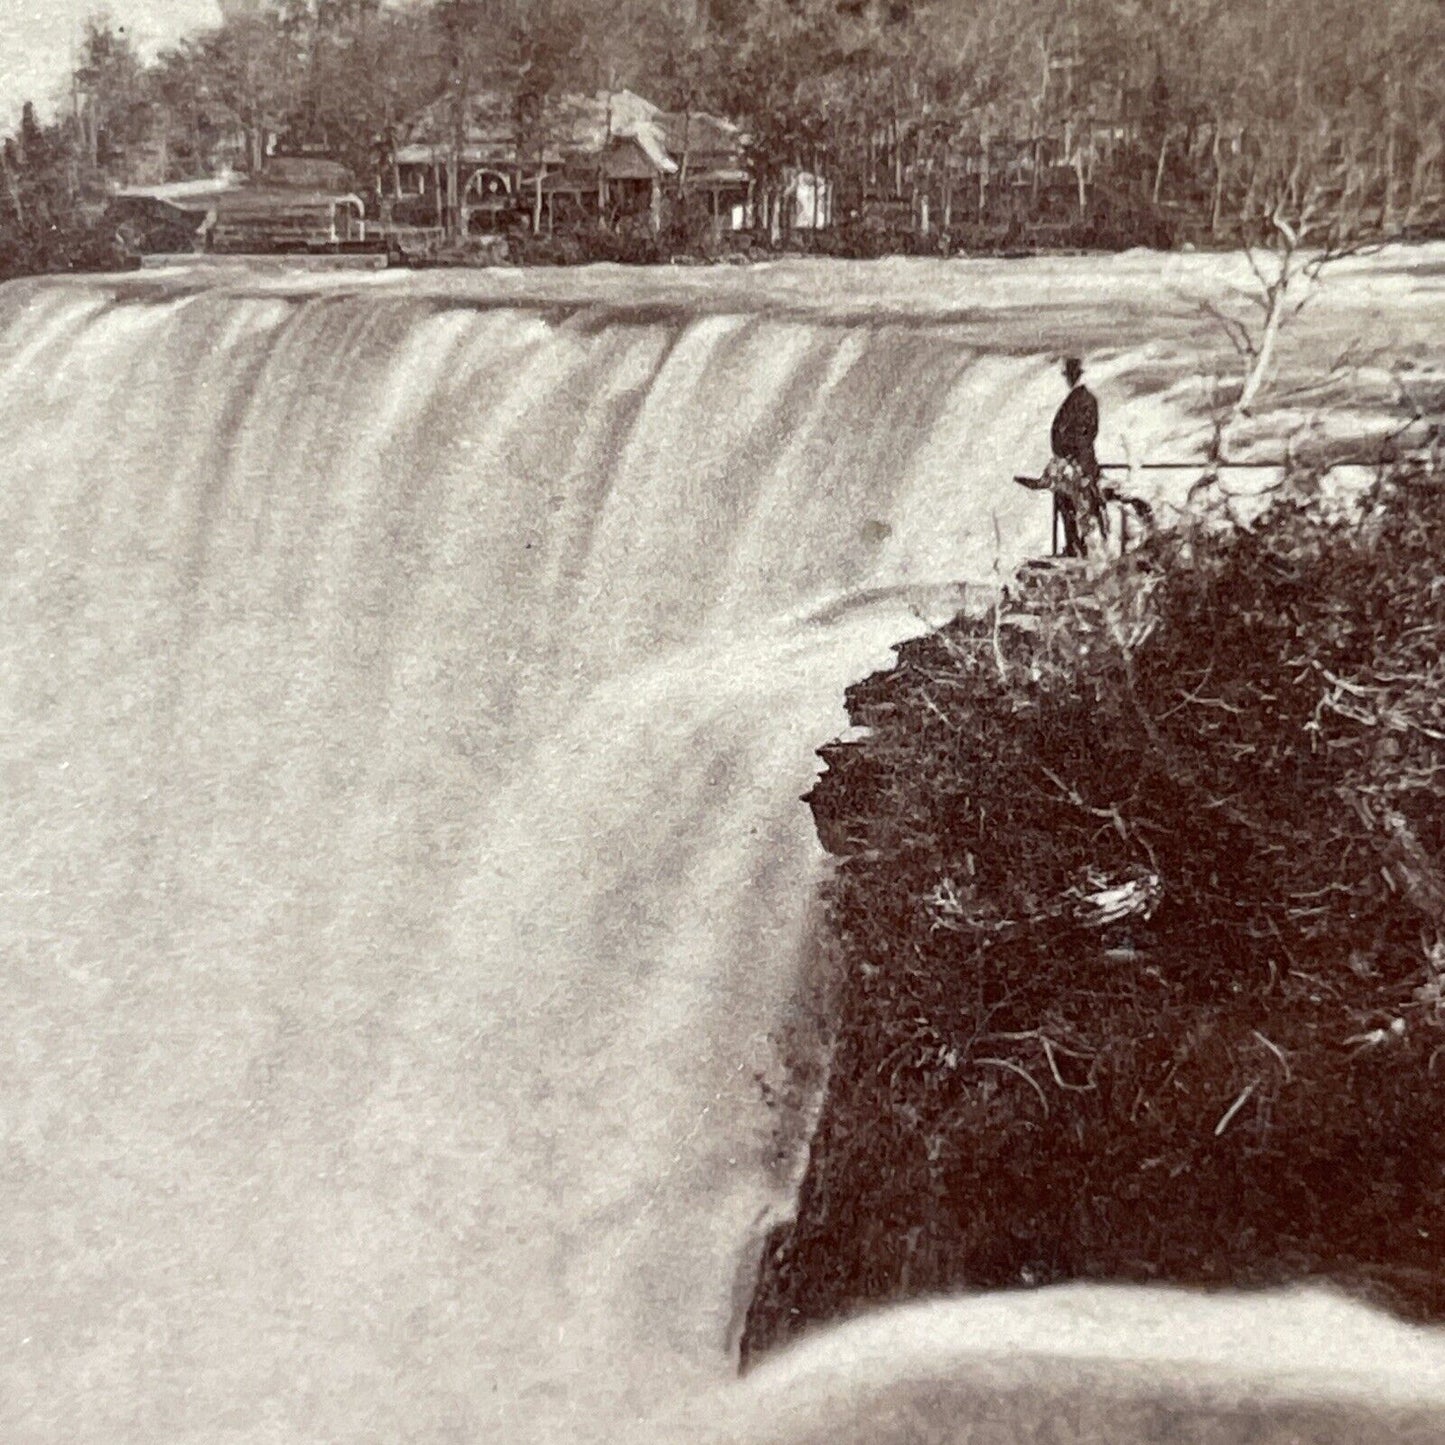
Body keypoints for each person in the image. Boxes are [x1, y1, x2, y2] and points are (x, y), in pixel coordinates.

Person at [1045, 357, 1108, 557]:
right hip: (1074, 463)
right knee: (1071, 507)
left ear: (1075, 375)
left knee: (1081, 508)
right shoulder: (1079, 397)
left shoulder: (1083, 399)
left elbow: (1084, 435)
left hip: (1078, 464)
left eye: (1069, 375)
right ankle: (1075, 546)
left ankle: (1080, 548)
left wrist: (1073, 460)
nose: (1068, 379)